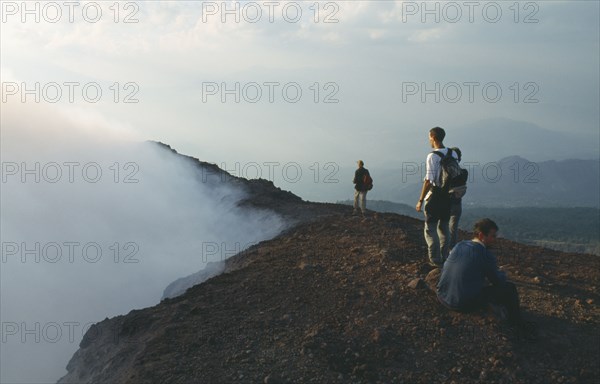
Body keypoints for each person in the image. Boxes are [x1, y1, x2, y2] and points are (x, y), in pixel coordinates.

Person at [437, 219, 525, 327]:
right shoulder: (485, 254)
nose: (494, 240)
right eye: (492, 236)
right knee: (510, 288)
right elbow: (497, 281)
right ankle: (517, 323)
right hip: (461, 304)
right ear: (481, 235)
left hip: (442, 296)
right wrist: (502, 273)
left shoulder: (459, 245)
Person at [416, 127, 458, 267]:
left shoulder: (432, 156)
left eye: (429, 137)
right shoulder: (453, 154)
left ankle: (435, 260)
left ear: (433, 137)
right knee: (444, 228)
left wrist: (421, 200)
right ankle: (445, 256)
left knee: (430, 229)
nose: (428, 139)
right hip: (448, 197)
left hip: (435, 197)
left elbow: (428, 180)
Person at [448, 147, 463, 250]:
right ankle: (452, 248)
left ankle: (443, 248)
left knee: (442, 226)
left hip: (445, 202)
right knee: (453, 227)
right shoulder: (462, 172)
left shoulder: (444, 171)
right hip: (457, 202)